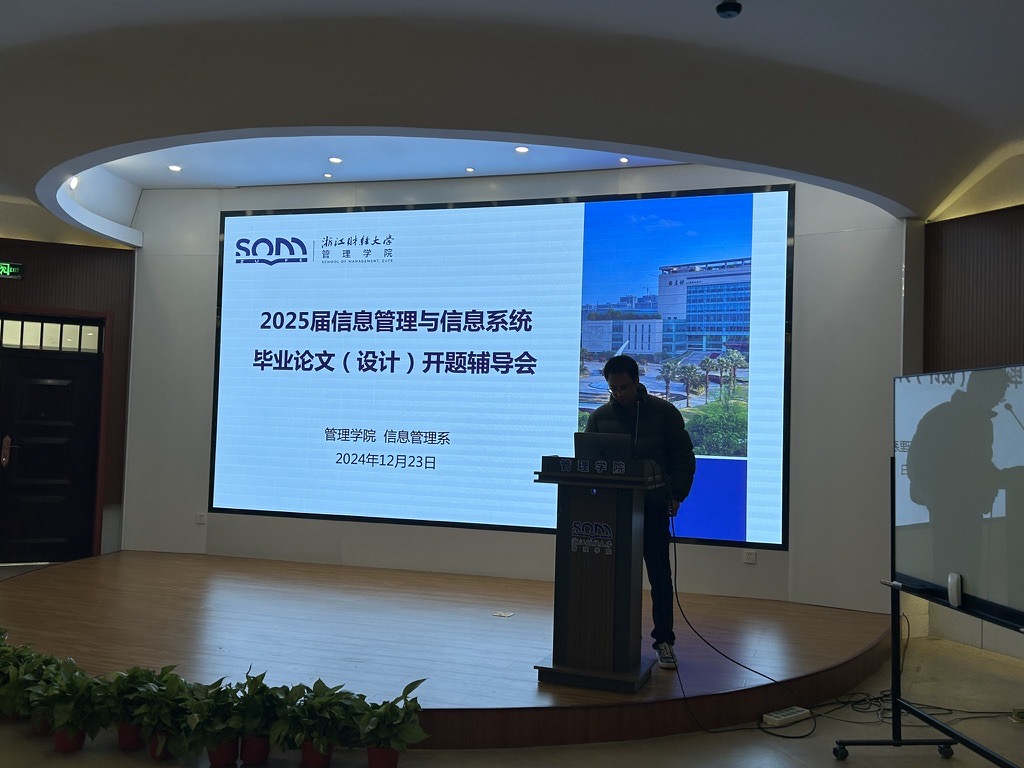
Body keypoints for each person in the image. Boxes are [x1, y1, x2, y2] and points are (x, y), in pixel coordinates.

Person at [584, 354, 696, 669]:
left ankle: (664, 641)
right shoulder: (599, 417)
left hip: (654, 508)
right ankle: (609, 637)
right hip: (612, 513)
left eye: (624, 387)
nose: (619, 393)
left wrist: (677, 495)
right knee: (610, 577)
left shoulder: (664, 413)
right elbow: (587, 463)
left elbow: (684, 458)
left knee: (659, 577)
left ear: (636, 381)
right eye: (613, 388)